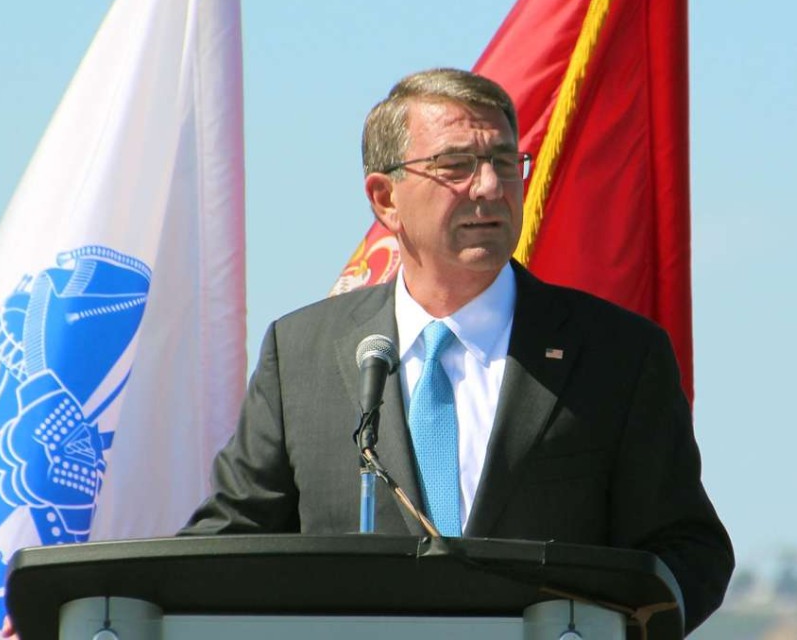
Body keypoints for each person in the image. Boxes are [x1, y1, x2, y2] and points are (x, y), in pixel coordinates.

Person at [180, 68, 733, 632]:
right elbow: (232, 543)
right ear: (385, 198)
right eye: (456, 167)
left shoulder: (616, 353)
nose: (490, 187)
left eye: (503, 161)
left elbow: (687, 550)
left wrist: (604, 629)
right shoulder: (301, 355)